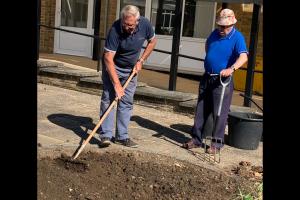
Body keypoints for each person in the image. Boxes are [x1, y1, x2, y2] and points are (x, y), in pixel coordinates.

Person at [182, 8, 248, 153]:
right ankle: (196, 139)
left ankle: (216, 144)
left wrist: (231, 68)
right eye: (220, 25)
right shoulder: (214, 34)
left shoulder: (237, 37)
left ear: (232, 24)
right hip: (207, 77)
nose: (222, 29)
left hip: (222, 80)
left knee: (220, 113)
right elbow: (208, 47)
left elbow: (243, 56)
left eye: (225, 26)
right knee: (201, 109)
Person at [98, 5, 157, 148]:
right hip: (113, 67)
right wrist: (117, 85)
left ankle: (121, 137)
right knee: (109, 99)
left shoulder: (145, 24)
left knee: (126, 102)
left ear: (137, 21)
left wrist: (141, 61)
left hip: (131, 70)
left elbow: (153, 41)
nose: (126, 27)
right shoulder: (115, 29)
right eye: (125, 23)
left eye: (130, 25)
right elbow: (108, 58)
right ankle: (105, 135)